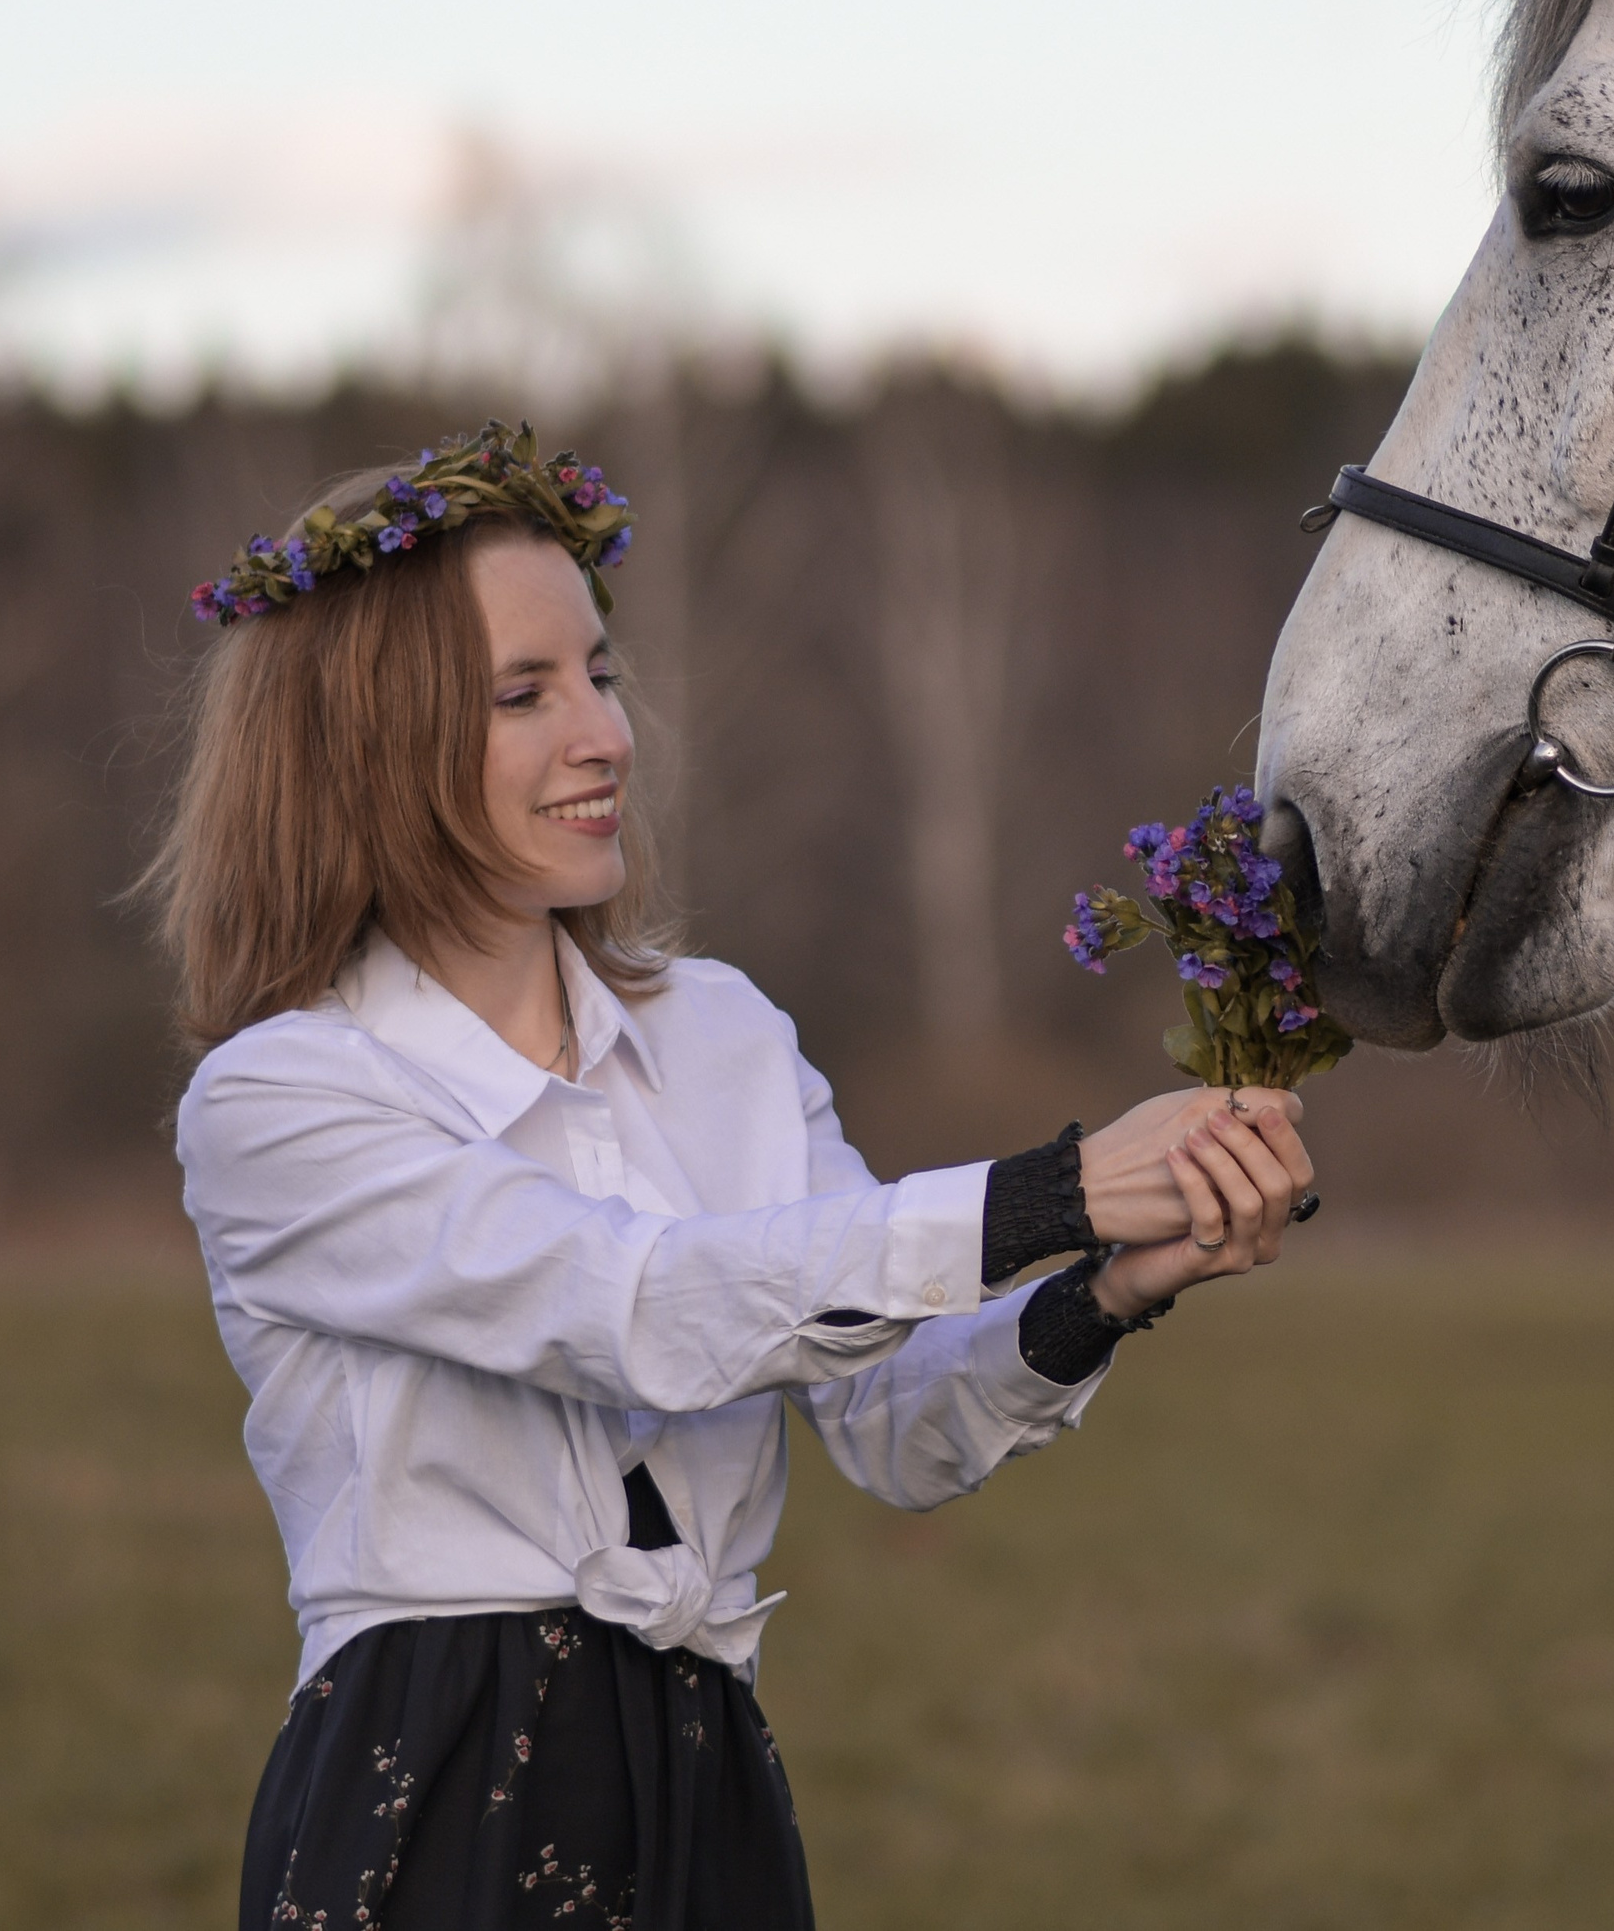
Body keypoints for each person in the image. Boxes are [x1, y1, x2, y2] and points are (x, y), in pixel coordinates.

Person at [147, 423, 1316, 1931]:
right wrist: (1057, 1190)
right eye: (525, 692)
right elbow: (631, 1310)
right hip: (429, 1791)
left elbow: (894, 1424)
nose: (605, 735)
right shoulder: (282, 1098)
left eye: (602, 674)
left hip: (710, 1788)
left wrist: (1110, 1284)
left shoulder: (724, 1036)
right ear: (372, 744)